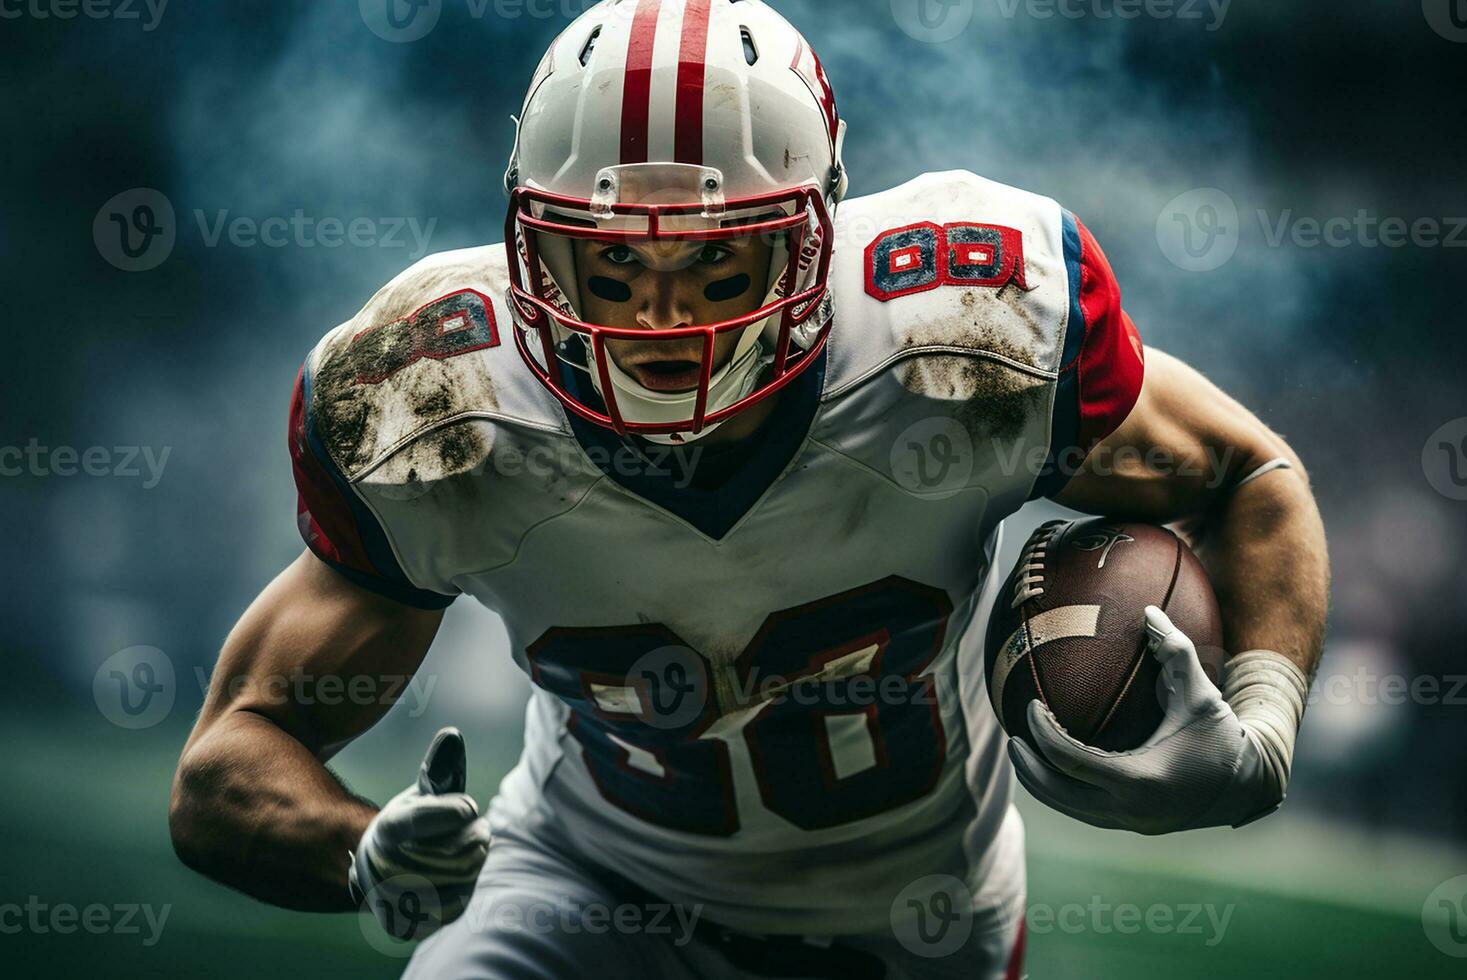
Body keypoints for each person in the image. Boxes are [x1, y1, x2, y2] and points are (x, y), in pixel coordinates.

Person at [169, 2, 1329, 977]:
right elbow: (229, 759)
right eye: (611, 260)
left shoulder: (966, 333)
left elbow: (1248, 472)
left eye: (719, 258)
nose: (667, 318)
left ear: (816, 237)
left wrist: (1265, 721)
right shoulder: (432, 401)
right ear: (531, 245)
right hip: (580, 887)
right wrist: (363, 849)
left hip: (916, 920)